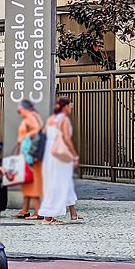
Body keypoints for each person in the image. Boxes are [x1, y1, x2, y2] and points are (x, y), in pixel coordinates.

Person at [39, 96, 82, 224]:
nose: (71, 107)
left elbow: (45, 134)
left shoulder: (51, 119)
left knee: (56, 182)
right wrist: (74, 155)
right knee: (58, 183)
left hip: (50, 154)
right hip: (61, 155)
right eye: (70, 105)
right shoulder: (64, 120)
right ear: (65, 106)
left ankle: (65, 213)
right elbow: (66, 139)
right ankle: (48, 216)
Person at [14, 99, 44, 220]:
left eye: (20, 109)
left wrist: (24, 137)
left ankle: (38, 211)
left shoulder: (31, 117)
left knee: (31, 181)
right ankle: (25, 209)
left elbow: (36, 130)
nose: (19, 112)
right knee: (27, 181)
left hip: (30, 155)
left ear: (24, 108)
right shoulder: (34, 116)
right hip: (29, 154)